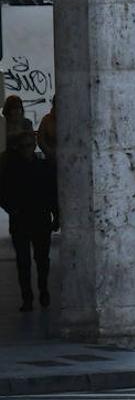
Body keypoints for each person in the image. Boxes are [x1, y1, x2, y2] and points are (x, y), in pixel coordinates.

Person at [0, 130, 58, 311]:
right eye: (24, 146)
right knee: (23, 262)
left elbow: (52, 194)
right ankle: (27, 297)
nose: (27, 150)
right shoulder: (12, 170)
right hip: (21, 220)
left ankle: (43, 290)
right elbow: (3, 194)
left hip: (40, 218)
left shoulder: (43, 167)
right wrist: (13, 210)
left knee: (41, 260)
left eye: (30, 146)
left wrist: (56, 216)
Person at [37, 95, 57, 164]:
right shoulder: (46, 120)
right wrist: (50, 152)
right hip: (51, 159)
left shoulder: (71, 119)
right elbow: (40, 140)